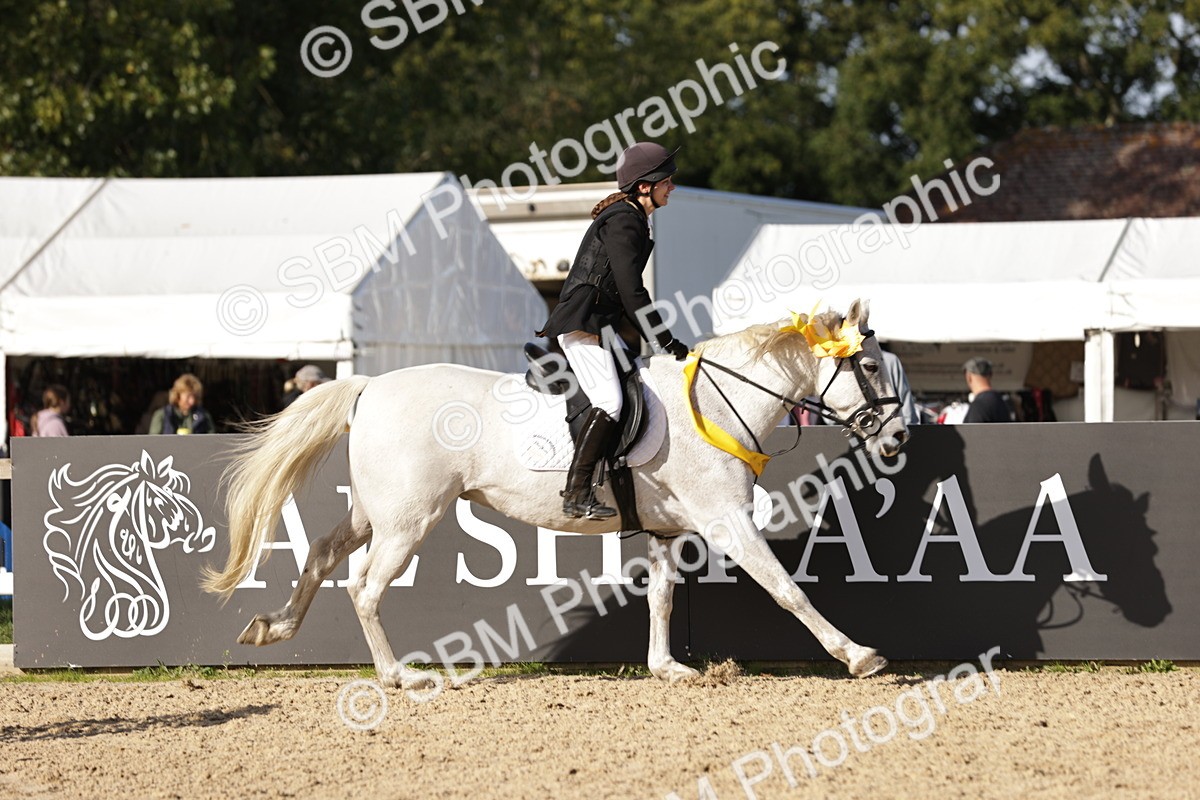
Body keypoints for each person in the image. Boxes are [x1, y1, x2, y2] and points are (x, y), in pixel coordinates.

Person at [536, 141, 690, 519]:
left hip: (600, 327)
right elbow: (631, 291)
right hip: (583, 325)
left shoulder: (634, 216)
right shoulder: (624, 219)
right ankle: (576, 492)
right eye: (666, 181)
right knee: (610, 401)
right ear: (644, 186)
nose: (672, 187)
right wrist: (665, 339)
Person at [149, 374, 214, 434]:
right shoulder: (162, 415)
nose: (192, 401)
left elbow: (211, 441)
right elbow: (153, 442)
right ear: (178, 395)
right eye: (188, 396)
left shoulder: (203, 416)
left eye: (195, 397)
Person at [962, 357, 1012, 423]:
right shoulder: (1000, 400)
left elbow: (974, 432)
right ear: (991, 375)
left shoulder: (979, 405)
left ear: (969, 377)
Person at [880, 348, 920, 425]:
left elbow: (904, 398)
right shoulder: (889, 359)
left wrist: (909, 426)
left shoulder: (888, 360)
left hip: (889, 429)